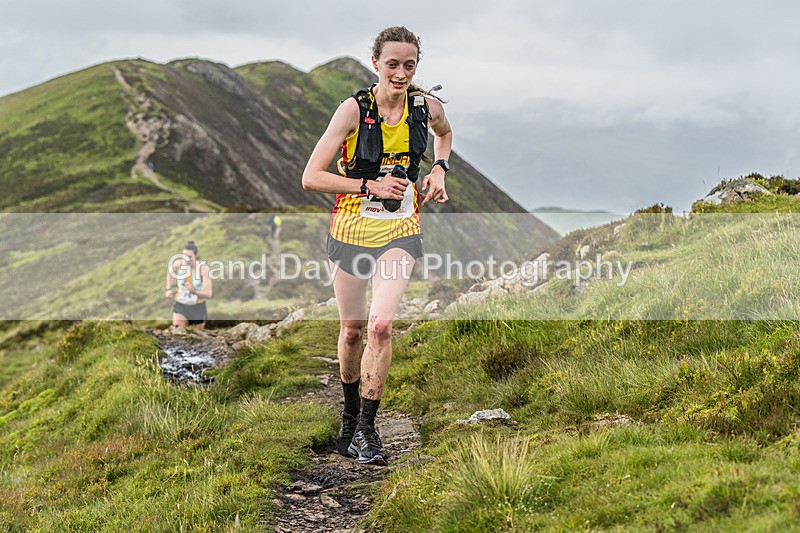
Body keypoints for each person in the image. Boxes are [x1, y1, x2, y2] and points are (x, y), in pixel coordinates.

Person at [302, 26, 452, 465]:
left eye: (410, 65)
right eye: (393, 64)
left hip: (400, 230)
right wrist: (368, 185)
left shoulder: (427, 108)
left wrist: (439, 170)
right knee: (351, 330)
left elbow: (444, 135)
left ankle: (368, 430)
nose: (401, 73)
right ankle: (348, 419)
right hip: (349, 229)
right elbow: (311, 177)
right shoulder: (352, 110)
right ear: (376, 64)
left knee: (380, 326)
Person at [165, 241, 213, 329]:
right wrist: (169, 289)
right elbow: (169, 273)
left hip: (198, 307)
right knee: (178, 331)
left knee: (198, 336)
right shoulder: (178, 264)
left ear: (196, 255)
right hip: (181, 304)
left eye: (190, 257)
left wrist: (193, 291)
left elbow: (209, 294)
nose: (186, 259)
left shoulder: (203, 269)